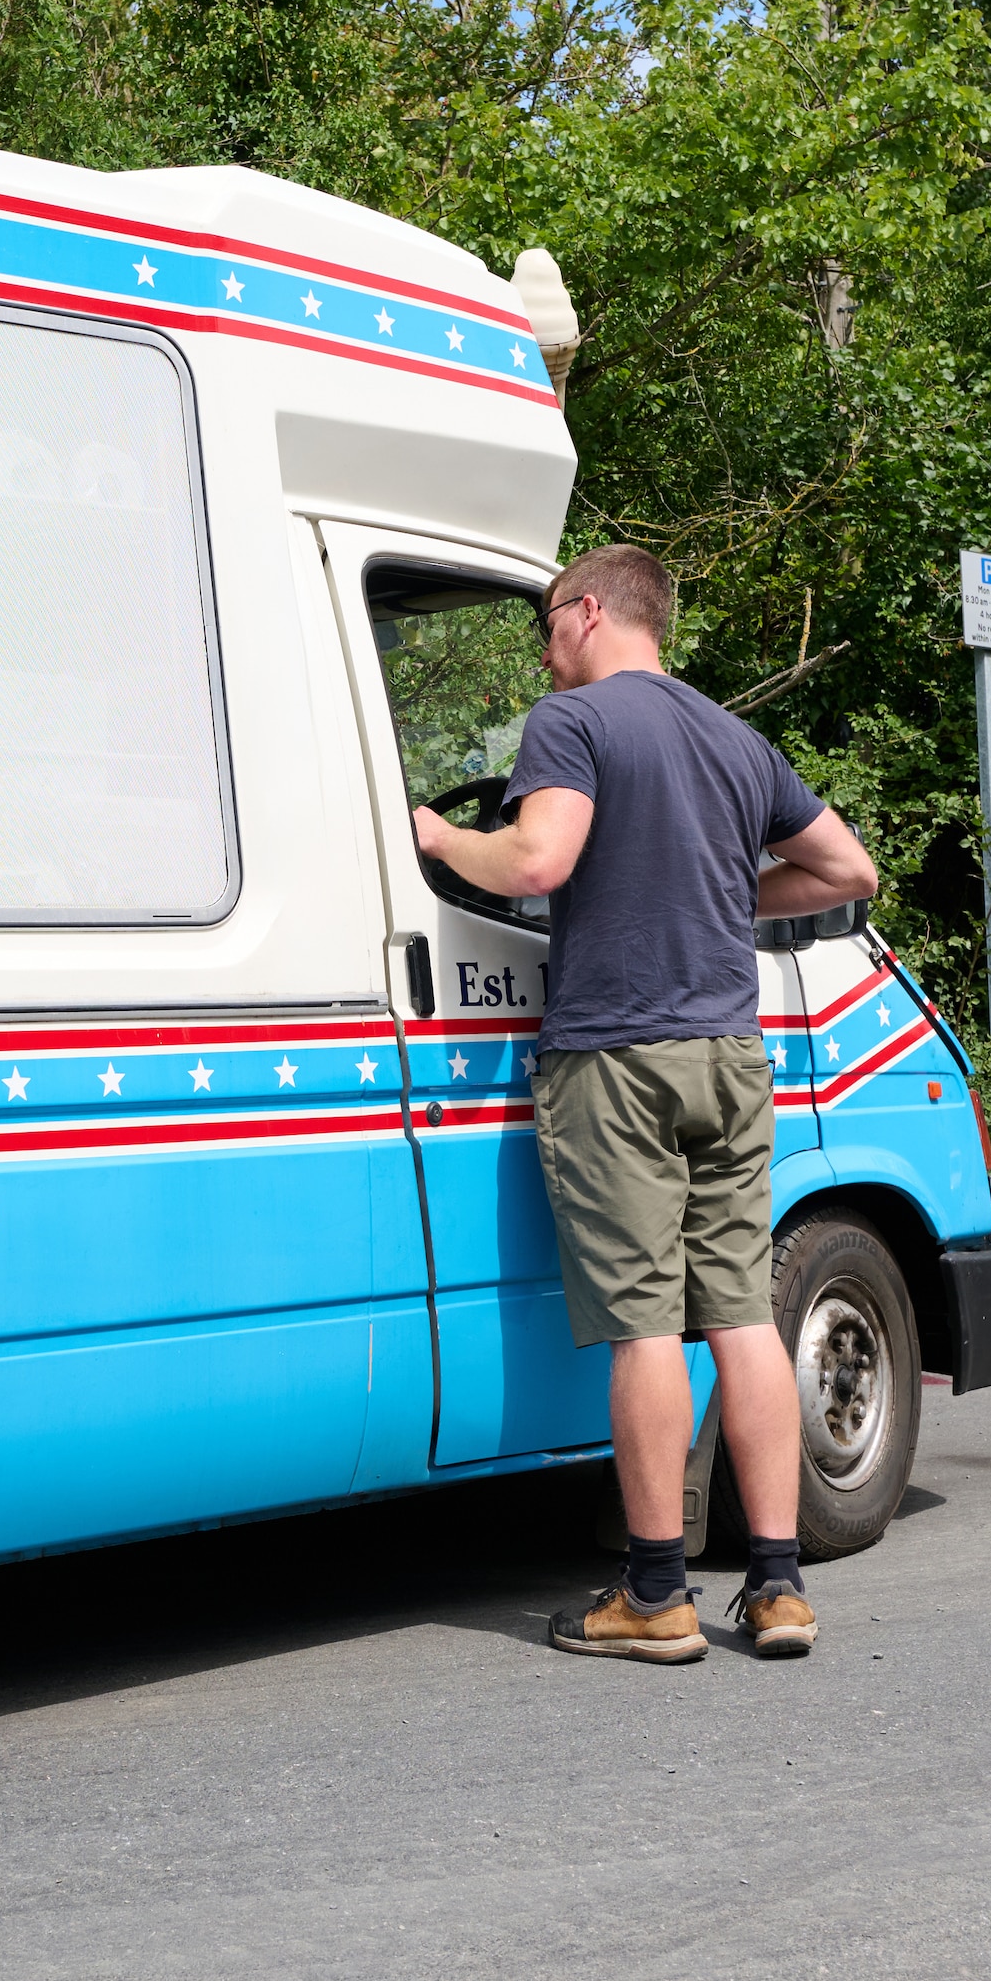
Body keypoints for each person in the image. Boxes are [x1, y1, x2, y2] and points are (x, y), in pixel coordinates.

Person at [413, 543, 882, 1663]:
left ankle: (656, 1593)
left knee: (643, 1327)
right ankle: (775, 1588)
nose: (542, 648)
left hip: (616, 1059)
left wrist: (435, 835)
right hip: (728, 1053)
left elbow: (535, 859)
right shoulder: (731, 736)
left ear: (586, 612)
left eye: (546, 625)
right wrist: (727, 891)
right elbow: (847, 871)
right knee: (737, 1316)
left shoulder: (569, 722)